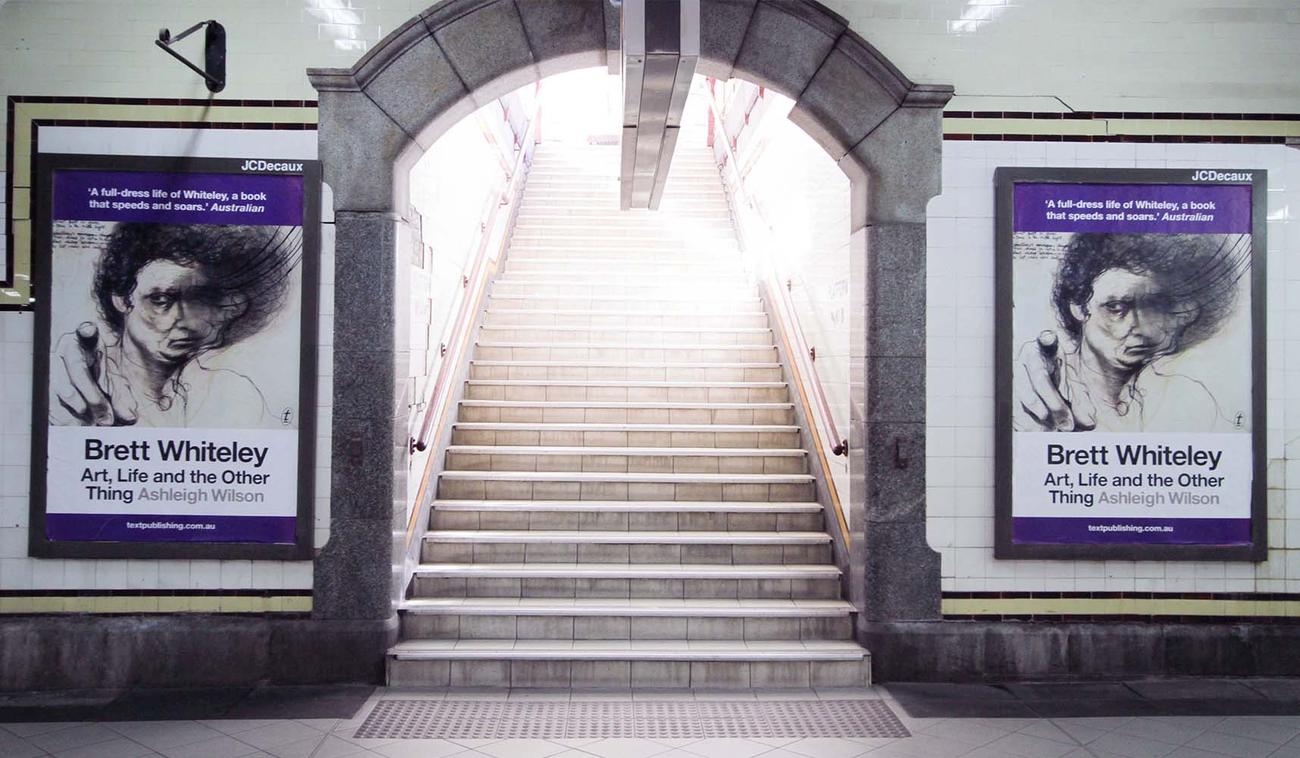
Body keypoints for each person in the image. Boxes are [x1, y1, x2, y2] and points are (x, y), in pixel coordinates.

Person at [49, 223, 300, 428]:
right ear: (123, 300)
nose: (187, 321)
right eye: (161, 300)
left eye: (200, 299)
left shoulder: (235, 394)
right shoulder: (86, 385)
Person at [1013, 232, 1246, 433]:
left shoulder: (1189, 398)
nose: (1140, 327)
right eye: (1116, 308)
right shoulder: (1046, 389)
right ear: (1079, 308)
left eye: (1154, 306)